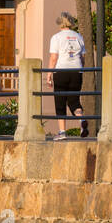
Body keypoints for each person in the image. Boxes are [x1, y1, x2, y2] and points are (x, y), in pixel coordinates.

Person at [46, 12, 87, 140]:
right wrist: (81, 69)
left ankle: (62, 132)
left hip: (61, 71)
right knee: (74, 100)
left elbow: (54, 58)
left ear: (60, 23)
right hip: (76, 71)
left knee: (60, 101)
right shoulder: (78, 36)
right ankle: (81, 120)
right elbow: (82, 56)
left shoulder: (56, 37)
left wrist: (49, 74)